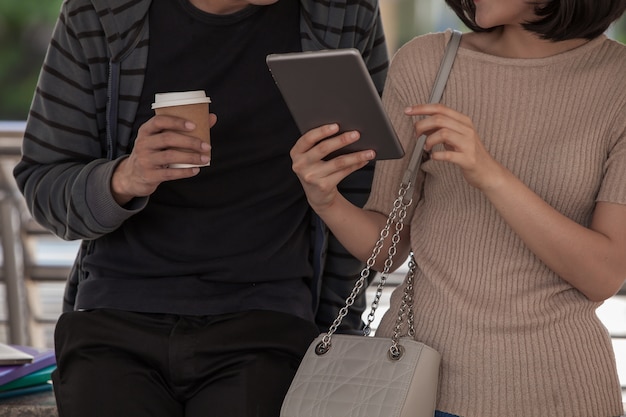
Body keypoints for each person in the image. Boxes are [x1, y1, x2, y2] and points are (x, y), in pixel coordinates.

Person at [12, 0, 388, 416]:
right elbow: (44, 185)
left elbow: (361, 191)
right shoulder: (100, 13)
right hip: (115, 319)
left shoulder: (343, 14)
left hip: (268, 325)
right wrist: (126, 178)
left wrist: (336, 336)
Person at [290, 0, 626, 416]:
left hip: (560, 393)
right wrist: (326, 200)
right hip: (411, 386)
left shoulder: (619, 82)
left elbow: (604, 274)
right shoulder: (428, 63)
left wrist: (490, 174)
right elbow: (386, 249)